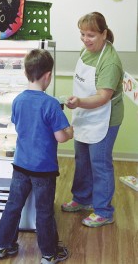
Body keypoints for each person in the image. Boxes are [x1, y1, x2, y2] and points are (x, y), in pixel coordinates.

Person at [0, 49, 73, 263]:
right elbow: (61, 137)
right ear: (48, 76)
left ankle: (1, 245)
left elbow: (19, 125)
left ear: (27, 74)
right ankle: (48, 253)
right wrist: (71, 130)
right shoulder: (51, 104)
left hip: (20, 165)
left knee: (13, 206)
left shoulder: (18, 100)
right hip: (43, 169)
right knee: (44, 210)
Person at [61, 12, 124, 228]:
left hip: (104, 118)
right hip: (85, 114)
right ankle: (82, 198)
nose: (86, 39)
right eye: (82, 34)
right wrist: (78, 104)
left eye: (91, 35)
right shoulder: (86, 52)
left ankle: (104, 211)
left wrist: (78, 102)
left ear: (104, 34)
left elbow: (103, 97)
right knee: (82, 160)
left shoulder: (110, 62)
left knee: (100, 164)